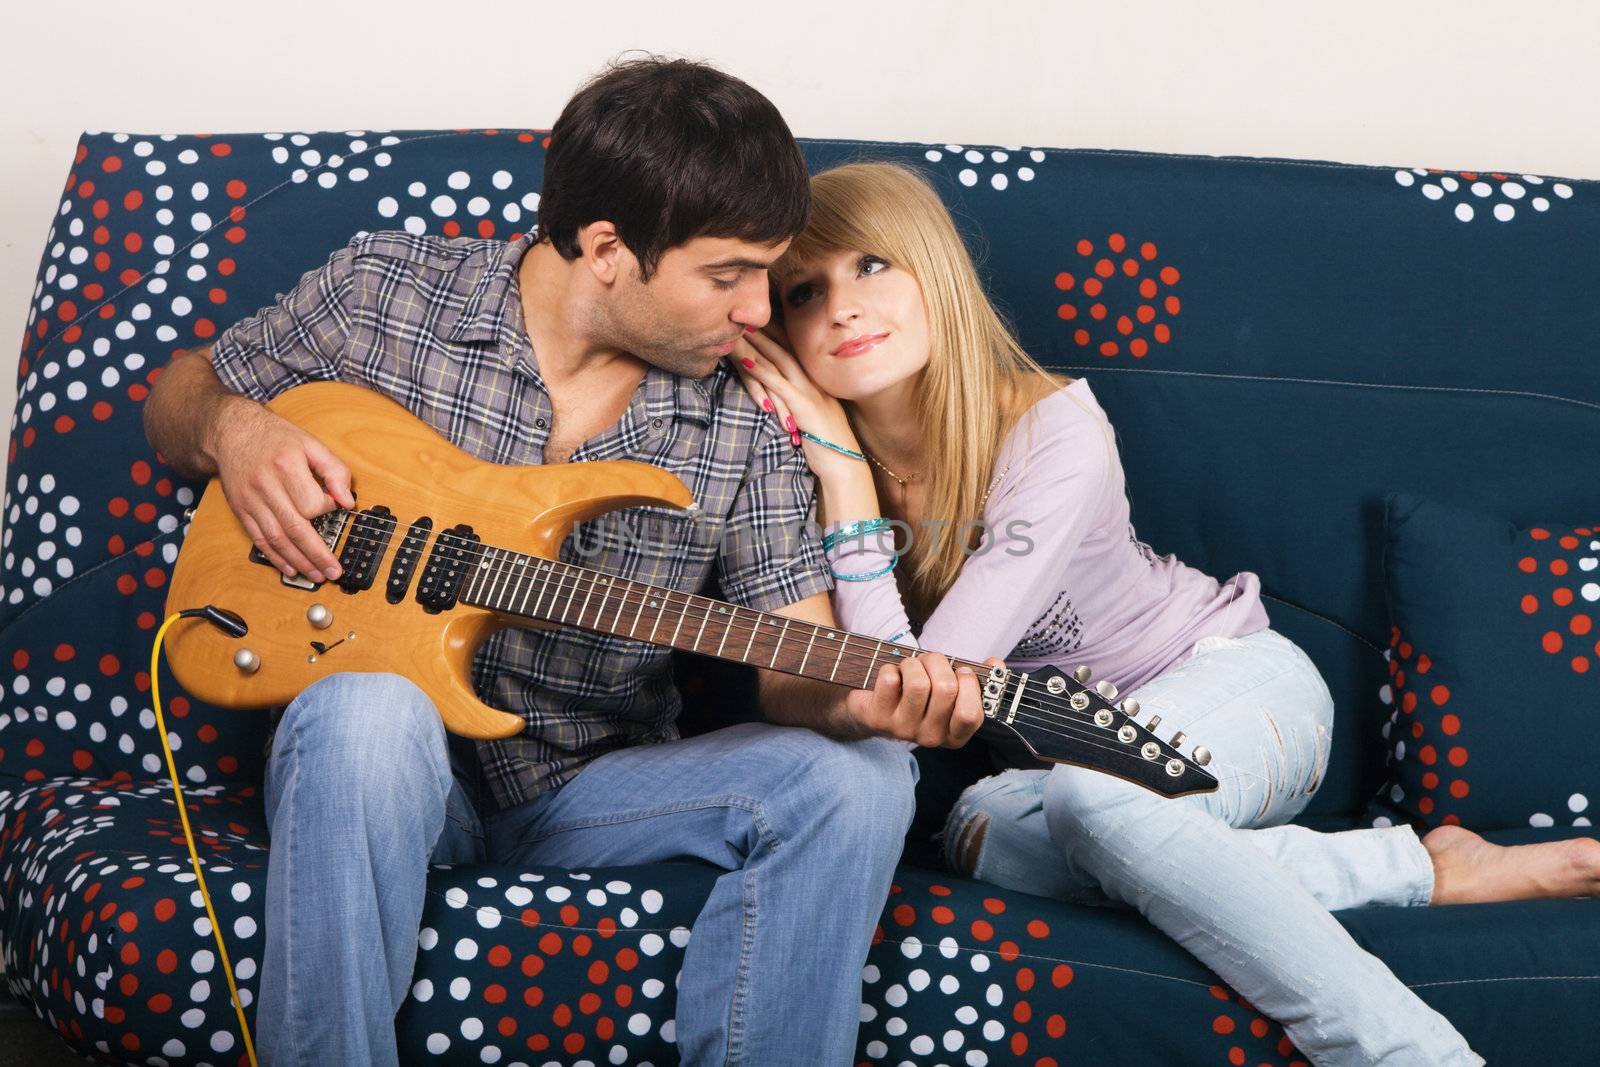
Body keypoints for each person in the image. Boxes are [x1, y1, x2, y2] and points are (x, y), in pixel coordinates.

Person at [143, 61, 988, 1067]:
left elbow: (798, 659)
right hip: (384, 771)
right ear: (606, 251)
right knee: (367, 710)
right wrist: (235, 429)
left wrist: (860, 704)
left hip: (591, 791)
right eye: (728, 274)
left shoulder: (746, 414)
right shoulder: (382, 295)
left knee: (858, 777)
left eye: (768, 270)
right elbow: (178, 399)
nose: (762, 309)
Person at [729, 160, 1600, 1067]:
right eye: (804, 290)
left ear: (932, 268)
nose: (842, 306)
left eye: (871, 265)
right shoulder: (806, 463)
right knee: (979, 833)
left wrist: (845, 490)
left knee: (1098, 794)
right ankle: (1422, 867)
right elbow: (882, 711)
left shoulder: (1057, 430)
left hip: (1235, 686)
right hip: (1061, 774)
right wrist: (839, 472)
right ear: (782, 333)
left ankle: (1406, 1051)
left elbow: (924, 689)